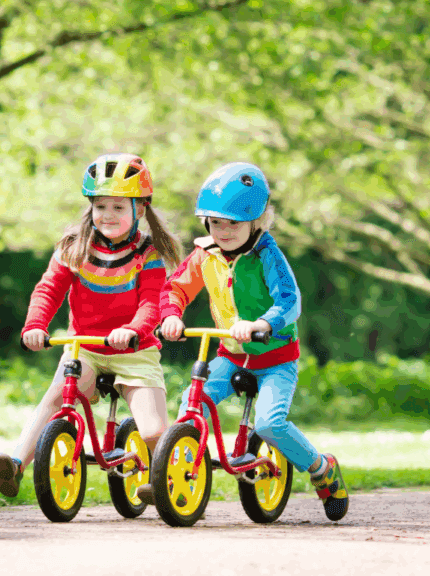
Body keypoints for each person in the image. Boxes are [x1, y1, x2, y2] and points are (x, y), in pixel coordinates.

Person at [145, 162, 348, 521]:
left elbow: (289, 300)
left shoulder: (267, 255)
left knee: (269, 424)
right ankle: (180, 475)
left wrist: (263, 323)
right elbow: (175, 287)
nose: (223, 231)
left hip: (275, 359)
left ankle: (321, 468)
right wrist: (171, 315)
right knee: (193, 406)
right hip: (231, 355)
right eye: (215, 222)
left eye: (233, 223)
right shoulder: (204, 254)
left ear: (258, 221)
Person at [0, 153, 182, 498]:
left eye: (119, 208)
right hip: (86, 347)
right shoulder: (75, 248)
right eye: (100, 206)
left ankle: (160, 481)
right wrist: (36, 325)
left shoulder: (147, 255)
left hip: (134, 351)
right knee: (55, 398)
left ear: (140, 209)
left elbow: (152, 302)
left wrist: (134, 330)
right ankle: (16, 465)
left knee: (152, 429)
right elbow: (48, 289)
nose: (107, 215)